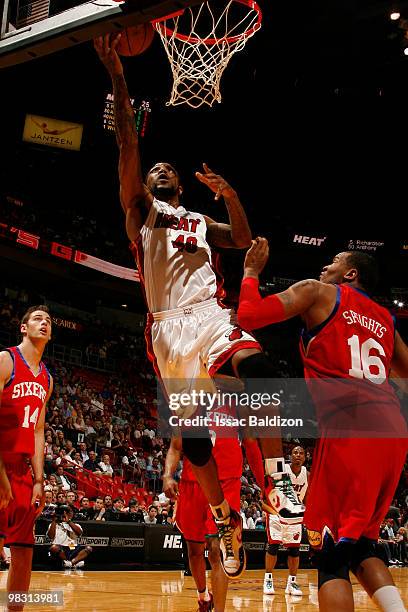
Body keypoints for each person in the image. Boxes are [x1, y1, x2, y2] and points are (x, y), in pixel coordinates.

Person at [94, 33, 303, 579]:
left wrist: (231, 196)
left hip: (209, 314)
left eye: (168, 170)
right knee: (195, 443)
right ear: (145, 182)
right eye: (153, 168)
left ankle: (280, 478)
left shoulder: (197, 220)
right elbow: (126, 148)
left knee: (257, 366)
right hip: (167, 332)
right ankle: (222, 517)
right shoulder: (140, 209)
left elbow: (241, 238)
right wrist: (118, 74)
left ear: (180, 184)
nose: (159, 171)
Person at [238, 244, 408, 612]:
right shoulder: (386, 320)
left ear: (350, 274)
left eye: (333, 262)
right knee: (363, 546)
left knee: (330, 557)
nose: (324, 266)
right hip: (393, 432)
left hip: (351, 429)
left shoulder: (318, 292)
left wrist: (251, 272)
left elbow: (249, 316)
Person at [0, 305, 53, 611]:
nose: (44, 323)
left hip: (22, 471)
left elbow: (38, 431)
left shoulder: (46, 377)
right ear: (23, 328)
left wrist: (39, 480)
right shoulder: (6, 360)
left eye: (47, 320)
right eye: (37, 319)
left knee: (23, 551)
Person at [163, 403, 242, 610]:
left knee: (218, 550)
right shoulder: (188, 404)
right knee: (194, 551)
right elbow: (175, 446)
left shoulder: (236, 403)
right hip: (192, 483)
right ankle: (203, 597)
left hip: (226, 482)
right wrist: (168, 475)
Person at [264, 445, 309, 597]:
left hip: (295, 515)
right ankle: (268, 579)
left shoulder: (307, 474)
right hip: (276, 513)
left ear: (305, 457)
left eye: (301, 453)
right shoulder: (282, 470)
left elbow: (308, 497)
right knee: (273, 546)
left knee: (294, 550)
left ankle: (292, 583)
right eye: (295, 452)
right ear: (290, 456)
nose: (298, 455)